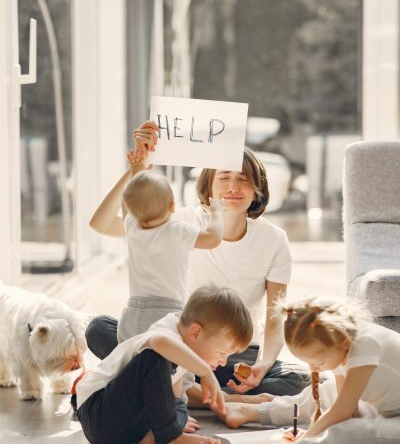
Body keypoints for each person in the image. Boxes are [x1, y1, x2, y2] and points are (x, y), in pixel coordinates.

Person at [86, 120, 309, 397]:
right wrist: (136, 170)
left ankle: (170, 392)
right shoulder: (180, 222)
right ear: (209, 186)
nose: (233, 187)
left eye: (243, 179)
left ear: (256, 190)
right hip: (180, 346)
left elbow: (276, 317)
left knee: (297, 379)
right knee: (98, 329)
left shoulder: (273, 239)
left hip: (234, 354)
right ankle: (208, 396)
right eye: (224, 177)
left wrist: (263, 365)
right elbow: (102, 224)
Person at [73, 286, 253, 444]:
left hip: (124, 429)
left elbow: (172, 397)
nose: (224, 362)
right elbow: (158, 342)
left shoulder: (181, 351)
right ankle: (170, 438)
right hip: (98, 413)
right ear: (196, 332)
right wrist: (205, 372)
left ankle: (155, 436)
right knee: (154, 358)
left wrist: (175, 418)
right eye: (223, 353)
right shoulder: (167, 334)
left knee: (179, 406)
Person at [220, 295, 400, 444]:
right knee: (324, 393)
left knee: (344, 432)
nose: (313, 369)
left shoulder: (365, 345)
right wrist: (311, 433)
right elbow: (345, 408)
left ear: (342, 344)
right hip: (381, 404)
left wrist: (308, 437)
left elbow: (345, 412)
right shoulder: (341, 341)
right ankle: (255, 410)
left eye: (318, 363)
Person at [111, 147, 223, 342]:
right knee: (173, 365)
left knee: (130, 358)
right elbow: (213, 239)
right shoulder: (178, 231)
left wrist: (136, 170)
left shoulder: (131, 227)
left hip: (133, 312)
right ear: (172, 206)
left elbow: (129, 205)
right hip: (167, 312)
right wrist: (217, 215)